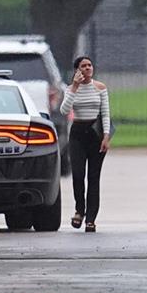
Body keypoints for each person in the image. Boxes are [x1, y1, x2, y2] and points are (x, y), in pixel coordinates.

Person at [60, 56, 111, 233]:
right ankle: (79, 210)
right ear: (77, 70)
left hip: (95, 133)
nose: (88, 68)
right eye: (84, 66)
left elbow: (105, 114)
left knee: (94, 178)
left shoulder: (100, 88)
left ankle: (91, 218)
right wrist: (74, 87)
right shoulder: (71, 89)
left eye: (90, 65)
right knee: (79, 174)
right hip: (78, 134)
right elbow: (64, 110)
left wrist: (106, 136)